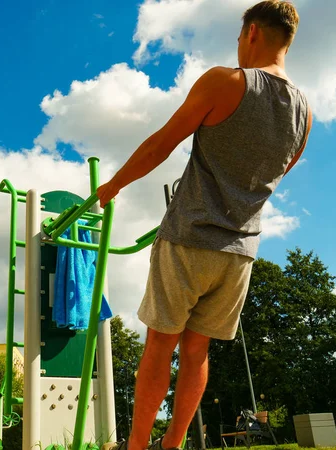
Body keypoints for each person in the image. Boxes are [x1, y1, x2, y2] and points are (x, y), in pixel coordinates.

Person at [96, 1, 312, 449]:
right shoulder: (305, 114)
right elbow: (278, 174)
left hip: (190, 237)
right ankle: (172, 445)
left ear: (251, 32)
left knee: (160, 344)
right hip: (240, 254)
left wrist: (114, 184)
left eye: (239, 36)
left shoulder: (226, 81)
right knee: (197, 353)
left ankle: (137, 446)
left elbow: (162, 144)